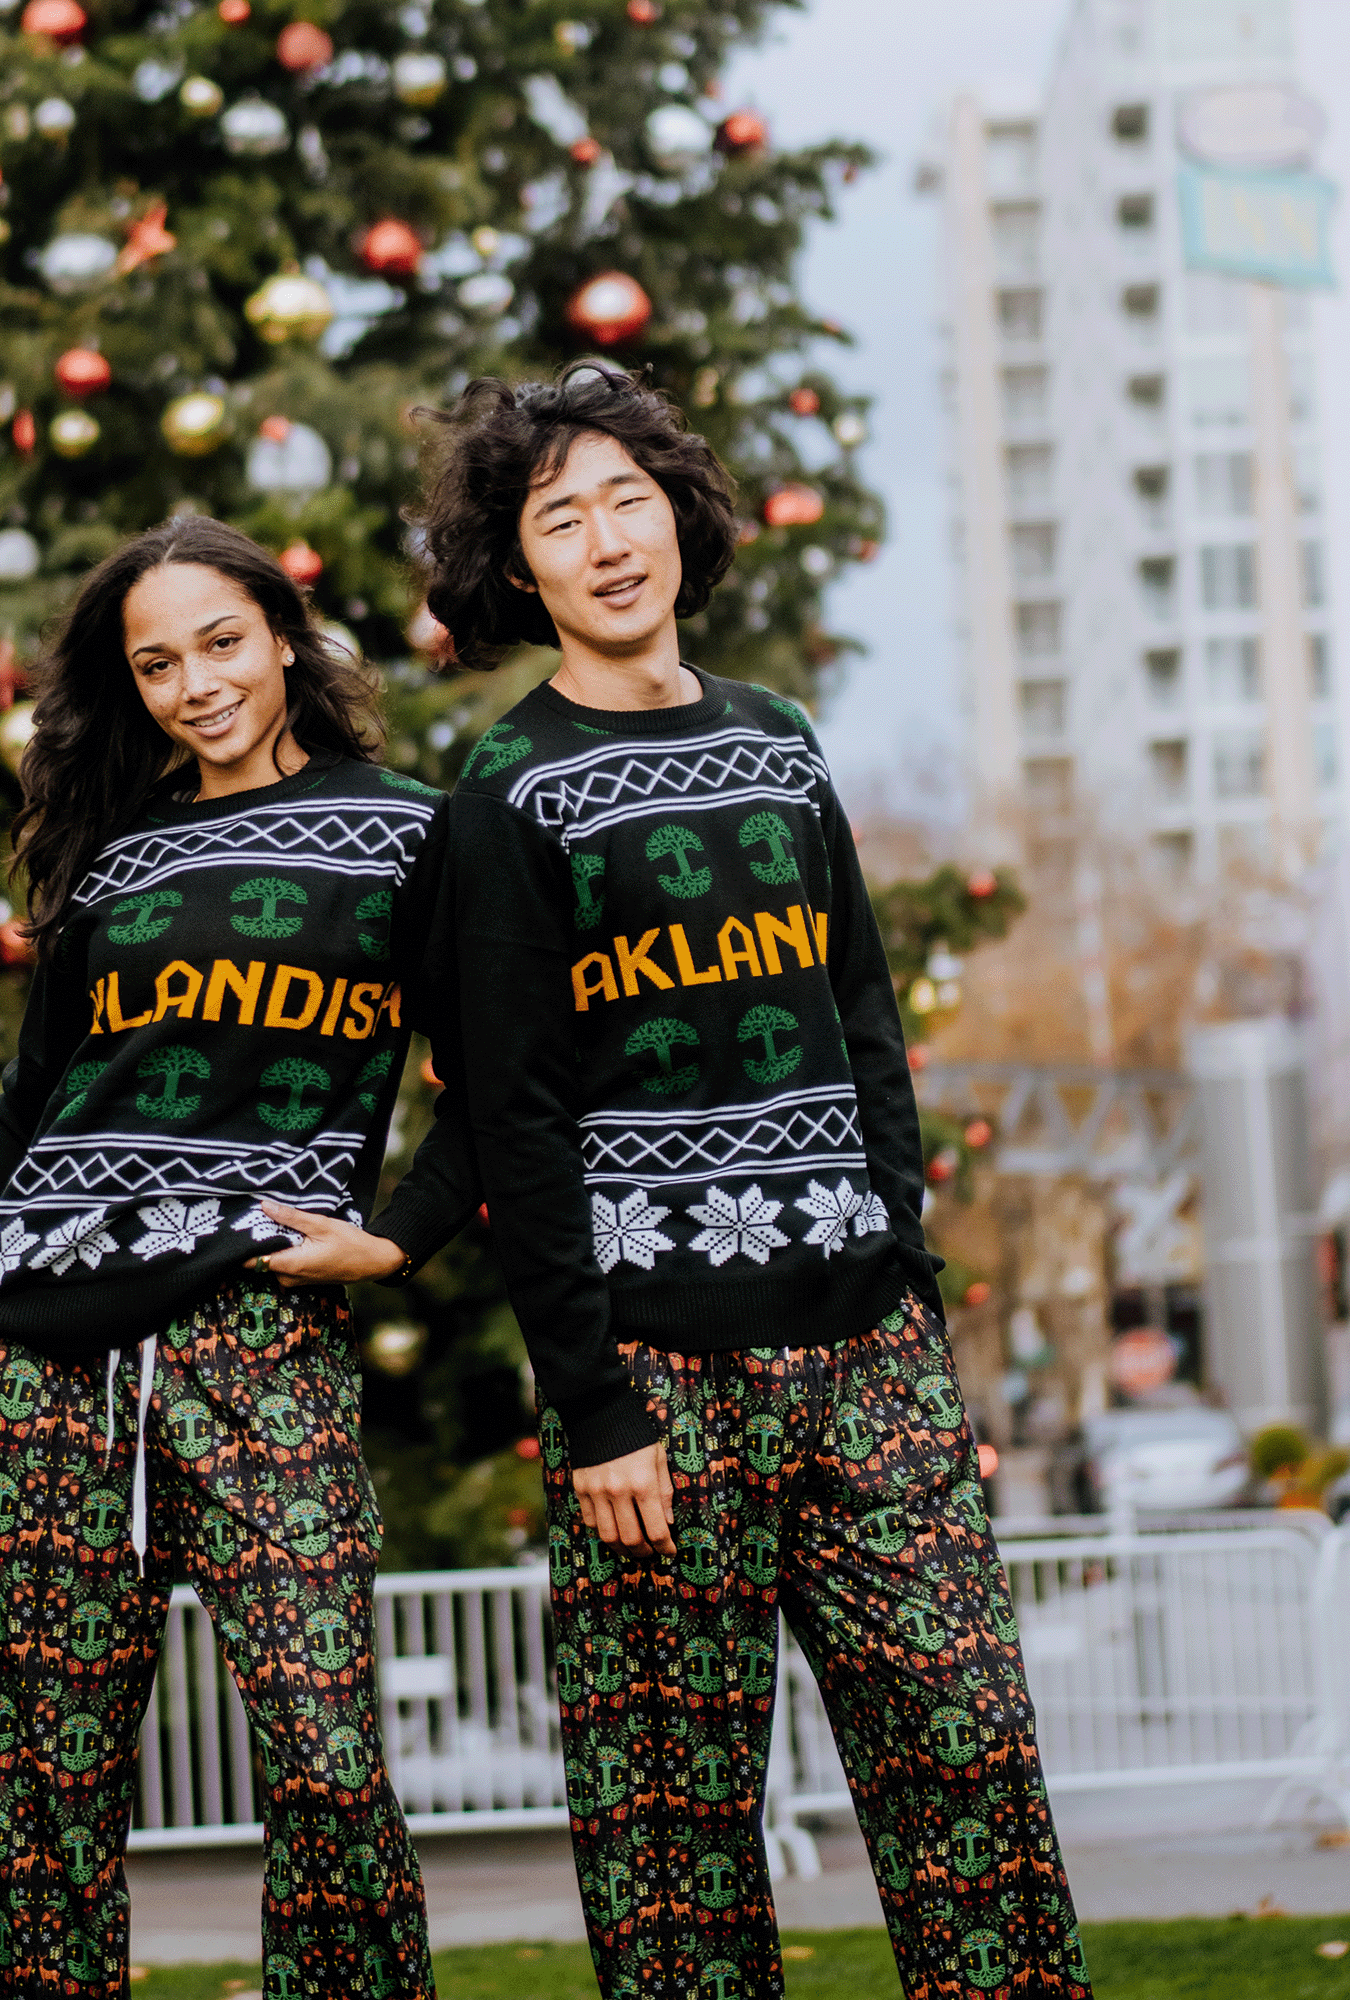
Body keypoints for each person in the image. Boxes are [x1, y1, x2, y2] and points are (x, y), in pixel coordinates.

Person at [412, 366, 1089, 2000]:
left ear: (678, 517)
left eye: (625, 498)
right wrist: (592, 1408)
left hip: (873, 1357)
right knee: (677, 1852)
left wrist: (904, 1258)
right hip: (658, 1384)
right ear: (519, 572)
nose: (604, 538)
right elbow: (517, 1123)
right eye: (558, 517)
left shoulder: (780, 741)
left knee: (973, 1779)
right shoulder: (507, 797)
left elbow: (861, 1015)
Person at [0, 517, 475, 2000]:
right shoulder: (112, 853)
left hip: (258, 1337)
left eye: (219, 642)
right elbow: (37, 1091)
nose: (194, 683)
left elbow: (501, 1087)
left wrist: (397, 1239)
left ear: (285, 636)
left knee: (328, 1761)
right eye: (156, 663)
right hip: (40, 1355)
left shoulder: (412, 832)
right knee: (33, 1796)